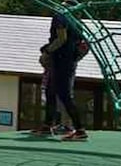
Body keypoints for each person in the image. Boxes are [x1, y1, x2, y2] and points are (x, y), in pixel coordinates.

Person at [32, 12, 87, 141]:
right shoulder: (77, 21)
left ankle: (80, 130)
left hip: (61, 61)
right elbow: (81, 44)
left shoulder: (61, 16)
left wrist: (47, 52)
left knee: (64, 95)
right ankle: (47, 125)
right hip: (69, 60)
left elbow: (61, 38)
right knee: (51, 91)